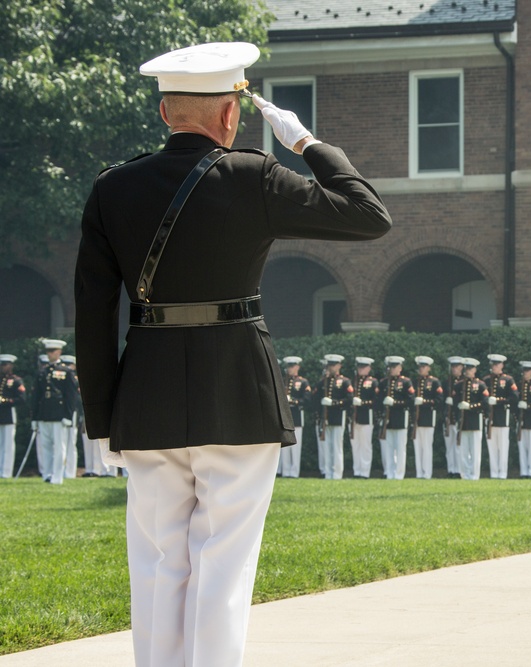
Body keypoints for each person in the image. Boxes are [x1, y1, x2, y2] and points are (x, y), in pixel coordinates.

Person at [74, 42, 391, 667]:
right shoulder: (254, 175)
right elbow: (369, 215)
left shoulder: (113, 189)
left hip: (147, 397)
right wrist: (307, 144)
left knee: (161, 563)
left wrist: (104, 420)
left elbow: (92, 314)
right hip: (237, 392)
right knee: (224, 564)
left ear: (166, 112)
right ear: (230, 117)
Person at [31, 339, 80, 485]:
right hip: (44, 415)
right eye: (48, 351)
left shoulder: (66, 371)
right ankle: (47, 474)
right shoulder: (42, 372)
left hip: (59, 415)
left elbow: (71, 397)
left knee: (60, 447)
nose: (50, 354)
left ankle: (57, 477)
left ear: (59, 352)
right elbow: (36, 397)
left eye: (52, 351)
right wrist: (34, 417)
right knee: (45, 446)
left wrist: (68, 415)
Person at [315, 354, 353, 480]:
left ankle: (337, 474)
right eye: (329, 365)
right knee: (327, 446)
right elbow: (314, 398)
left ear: (339, 366)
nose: (331, 367)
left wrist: (334, 402)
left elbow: (349, 399)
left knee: (337, 446)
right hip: (325, 417)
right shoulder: (323, 381)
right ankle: (327, 472)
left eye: (333, 365)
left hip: (338, 415)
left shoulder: (344, 381)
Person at [453, 358, 489, 480]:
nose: (467, 371)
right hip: (463, 421)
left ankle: (474, 475)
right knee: (463, 450)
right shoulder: (458, 385)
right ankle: (464, 474)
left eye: (470, 368)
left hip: (475, 420)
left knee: (475, 451)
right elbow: (454, 403)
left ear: (474, 369)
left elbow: (485, 402)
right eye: (466, 368)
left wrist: (471, 406)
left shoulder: (480, 384)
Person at [484, 353, 518, 479]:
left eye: (497, 364)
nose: (494, 367)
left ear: (502, 365)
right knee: (492, 448)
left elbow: (514, 397)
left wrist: (498, 400)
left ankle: (502, 473)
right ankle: (494, 473)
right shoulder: (486, 380)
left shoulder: (508, 380)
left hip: (503, 417)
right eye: (493, 364)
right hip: (490, 419)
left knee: (503, 448)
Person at [379, 356, 414, 479]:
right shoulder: (384, 382)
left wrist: (395, 403)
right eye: (390, 367)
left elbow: (410, 401)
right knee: (388, 448)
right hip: (388, 419)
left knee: (400, 448)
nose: (392, 369)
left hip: (400, 417)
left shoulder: (405, 382)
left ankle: (399, 474)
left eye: (395, 367)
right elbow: (378, 400)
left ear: (400, 368)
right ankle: (389, 472)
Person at [411, 356, 444, 479]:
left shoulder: (434, 382)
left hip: (428, 418)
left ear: (429, 368)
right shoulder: (414, 382)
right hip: (416, 419)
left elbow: (439, 400)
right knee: (417, 447)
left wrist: (424, 401)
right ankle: (419, 473)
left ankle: (427, 473)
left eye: (423, 367)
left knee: (426, 447)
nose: (421, 369)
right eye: (420, 367)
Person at [279, 356, 310, 478]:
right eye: (288, 366)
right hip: (285, 419)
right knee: (285, 447)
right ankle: (286, 471)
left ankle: (294, 472)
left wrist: (293, 401)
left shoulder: (303, 382)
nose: (290, 369)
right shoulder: (282, 381)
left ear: (298, 367)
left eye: (292, 366)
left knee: (295, 448)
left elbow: (307, 400)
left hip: (296, 418)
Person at [350, 356, 379, 478]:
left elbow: (376, 400)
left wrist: (362, 402)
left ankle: (365, 472)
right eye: (359, 367)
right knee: (355, 445)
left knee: (365, 445)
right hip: (353, 418)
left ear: (369, 368)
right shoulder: (352, 381)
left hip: (366, 417)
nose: (361, 369)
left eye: (363, 367)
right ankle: (357, 471)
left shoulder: (373, 382)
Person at [0, 354, 26, 478]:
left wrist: (6, 401)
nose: (3, 367)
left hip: (9, 415)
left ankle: (6, 472)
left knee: (8, 445)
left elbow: (21, 399)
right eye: (2, 365)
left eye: (5, 365)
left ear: (11, 365)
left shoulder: (16, 380)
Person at [442, 356, 464, 478]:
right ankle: (451, 469)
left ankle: (459, 470)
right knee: (449, 447)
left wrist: (454, 401)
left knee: (459, 446)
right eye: (453, 367)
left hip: (458, 417)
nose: (454, 369)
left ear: (461, 367)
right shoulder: (447, 382)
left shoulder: (465, 382)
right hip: (448, 418)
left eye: (457, 366)